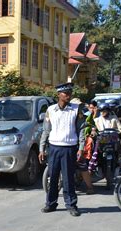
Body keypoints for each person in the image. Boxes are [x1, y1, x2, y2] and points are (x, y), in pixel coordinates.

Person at [39, 82, 86, 217]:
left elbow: (81, 130)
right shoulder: (51, 110)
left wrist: (81, 147)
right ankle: (51, 204)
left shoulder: (76, 110)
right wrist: (42, 148)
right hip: (54, 147)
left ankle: (71, 205)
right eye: (66, 93)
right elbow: (46, 131)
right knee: (53, 177)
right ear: (59, 94)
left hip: (69, 148)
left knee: (68, 178)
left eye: (70, 93)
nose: (68, 95)